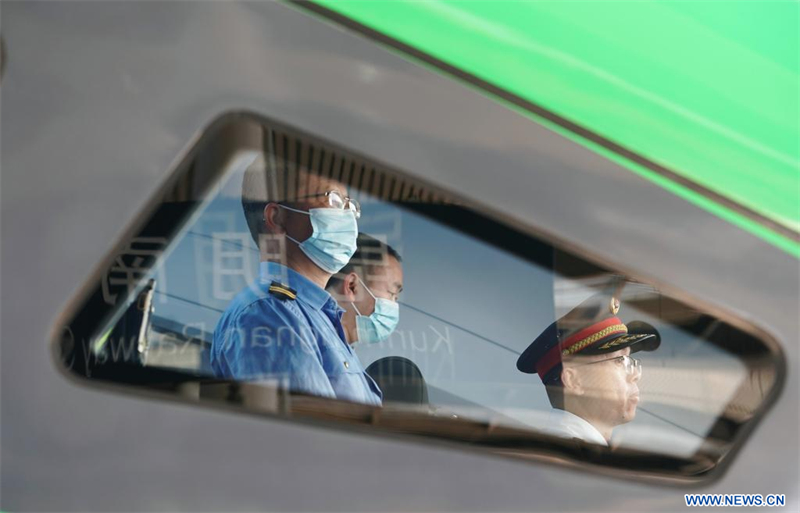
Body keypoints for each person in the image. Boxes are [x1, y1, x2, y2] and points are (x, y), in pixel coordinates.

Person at [210, 161, 382, 406]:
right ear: (277, 218)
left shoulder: (317, 316)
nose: (347, 216)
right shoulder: (268, 315)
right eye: (333, 201)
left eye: (349, 206)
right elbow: (315, 428)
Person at [516, 292, 660, 446]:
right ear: (573, 380)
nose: (635, 375)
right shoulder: (563, 453)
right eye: (620, 360)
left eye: (630, 361)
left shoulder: (577, 451)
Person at [325, 233, 403, 346]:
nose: (394, 307)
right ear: (352, 286)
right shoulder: (310, 340)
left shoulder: (341, 350)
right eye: (392, 293)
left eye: (396, 298)